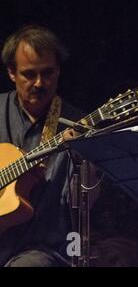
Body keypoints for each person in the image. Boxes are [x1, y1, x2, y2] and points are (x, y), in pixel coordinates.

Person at [0, 25, 84, 266]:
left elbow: (87, 202)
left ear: (58, 71)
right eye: (29, 74)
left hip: (41, 249)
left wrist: (82, 160)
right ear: (12, 73)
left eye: (47, 73)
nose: (39, 83)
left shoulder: (76, 126)